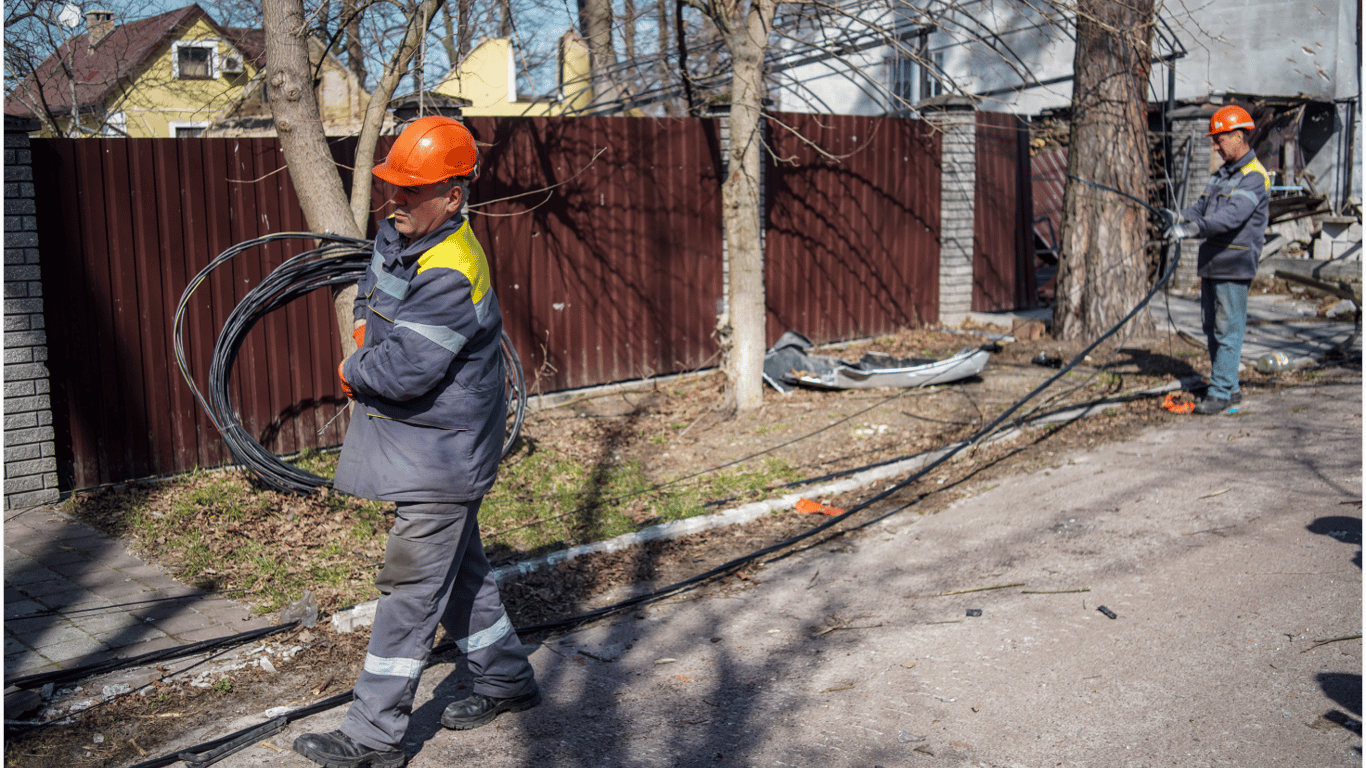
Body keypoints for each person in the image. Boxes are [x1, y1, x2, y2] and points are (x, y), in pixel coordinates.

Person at [293, 116, 539, 768]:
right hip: (428, 446)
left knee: (409, 591)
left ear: (452, 197)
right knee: (460, 576)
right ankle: (506, 678)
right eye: (392, 186)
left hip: (444, 455)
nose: (394, 200)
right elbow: (371, 296)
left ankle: (373, 737)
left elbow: (405, 369)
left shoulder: (452, 270)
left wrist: (353, 368)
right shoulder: (404, 237)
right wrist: (365, 332)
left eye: (411, 189)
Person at [1163, 104, 1270, 415]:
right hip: (1212, 263)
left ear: (1238, 136)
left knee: (1228, 330)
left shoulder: (1255, 176)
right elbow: (1200, 209)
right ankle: (1230, 388)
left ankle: (1220, 393)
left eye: (1219, 139)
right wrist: (1177, 217)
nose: (1215, 146)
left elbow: (1232, 216)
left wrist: (1189, 230)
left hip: (1234, 265)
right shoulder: (1221, 175)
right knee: (1212, 328)